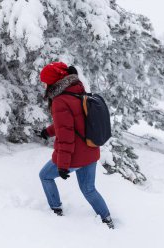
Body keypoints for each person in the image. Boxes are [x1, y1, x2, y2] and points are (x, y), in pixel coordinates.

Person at [38, 62, 114, 229]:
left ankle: (56, 209)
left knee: (45, 175)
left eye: (45, 82)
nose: (44, 85)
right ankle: (107, 220)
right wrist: (48, 131)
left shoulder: (60, 100)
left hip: (75, 156)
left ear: (52, 83)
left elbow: (66, 135)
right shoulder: (78, 91)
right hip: (91, 152)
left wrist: (63, 165)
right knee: (89, 189)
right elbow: (73, 123)